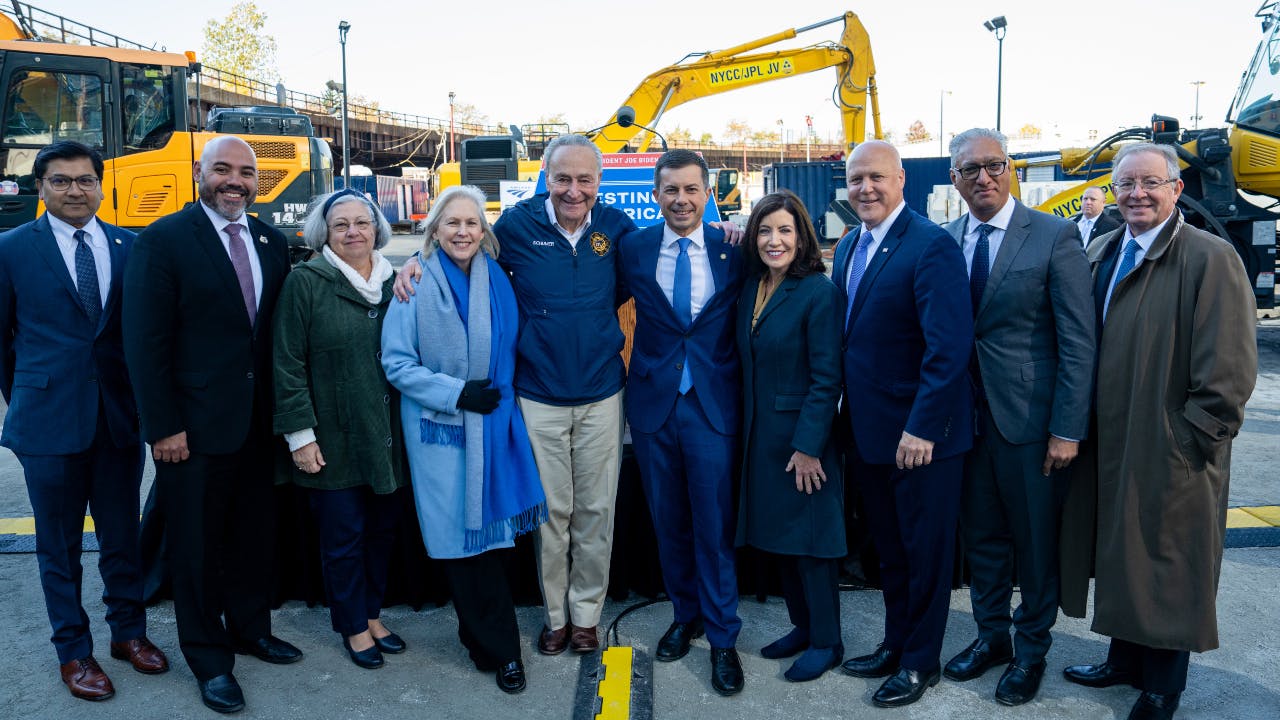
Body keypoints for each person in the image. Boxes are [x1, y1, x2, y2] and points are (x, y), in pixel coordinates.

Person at [1059, 143, 1257, 720]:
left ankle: (1163, 685)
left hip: (1171, 445)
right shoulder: (1104, 250)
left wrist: (1191, 439)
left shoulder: (1208, 257)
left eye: (1151, 182)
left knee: (1170, 561)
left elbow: (1229, 368)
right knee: (1124, 555)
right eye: (1125, 184)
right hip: (1113, 440)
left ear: (1176, 189)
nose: (1137, 194)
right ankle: (1125, 659)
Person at [123, 136, 301, 714]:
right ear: (199, 173)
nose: (235, 181)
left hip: (258, 424)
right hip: (190, 430)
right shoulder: (164, 241)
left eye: (246, 173)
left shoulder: (272, 241)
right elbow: (145, 344)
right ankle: (208, 657)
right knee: (196, 548)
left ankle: (251, 630)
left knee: (254, 536)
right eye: (222, 169)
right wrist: (162, 426)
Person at [0, 141, 168, 701]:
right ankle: (74, 651)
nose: (75, 190)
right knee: (59, 546)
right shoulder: (11, 249)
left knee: (122, 536)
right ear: (40, 187)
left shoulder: (131, 246)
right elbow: (4, 344)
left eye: (85, 180)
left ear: (101, 185)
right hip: (47, 423)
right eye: (61, 181)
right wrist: (29, 395)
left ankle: (129, 634)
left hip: (118, 421)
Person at [940, 127, 1096, 706]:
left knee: (1034, 545)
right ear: (953, 179)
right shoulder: (946, 238)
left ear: (1012, 170)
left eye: (993, 165)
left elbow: (1079, 341)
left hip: (1031, 425)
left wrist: (1067, 427)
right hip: (965, 422)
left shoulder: (1054, 236)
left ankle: (1031, 651)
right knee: (980, 539)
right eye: (969, 169)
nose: (983, 177)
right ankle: (991, 639)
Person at [382, 185, 547, 694]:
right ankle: (504, 653)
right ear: (433, 229)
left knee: (490, 545)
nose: (462, 232)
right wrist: (456, 393)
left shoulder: (497, 277)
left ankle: (483, 642)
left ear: (483, 230)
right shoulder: (414, 283)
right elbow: (396, 362)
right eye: (451, 223)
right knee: (462, 546)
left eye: (471, 223)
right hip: (441, 433)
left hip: (495, 425)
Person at [834, 141, 973, 708]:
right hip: (869, 432)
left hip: (921, 439)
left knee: (924, 556)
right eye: (856, 179)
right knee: (890, 553)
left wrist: (922, 427)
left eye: (876, 178)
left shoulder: (930, 246)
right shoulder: (848, 246)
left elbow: (948, 348)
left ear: (900, 182)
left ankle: (921, 662)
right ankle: (896, 643)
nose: (865, 188)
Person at [616, 150, 745, 695]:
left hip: (712, 404)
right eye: (670, 190)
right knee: (668, 522)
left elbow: (797, 256)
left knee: (713, 527)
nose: (681, 200)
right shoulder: (634, 248)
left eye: (691, 189)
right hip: (653, 405)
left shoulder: (733, 247)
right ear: (655, 193)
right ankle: (685, 613)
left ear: (707, 191)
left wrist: (748, 222)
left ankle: (722, 637)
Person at [272, 188, 407, 670]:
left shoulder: (398, 281)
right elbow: (286, 364)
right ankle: (352, 624)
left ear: (377, 229)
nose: (354, 232)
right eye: (341, 224)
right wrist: (300, 437)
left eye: (362, 222)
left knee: (381, 531)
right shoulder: (307, 282)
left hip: (387, 434)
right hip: (331, 436)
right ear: (324, 233)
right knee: (344, 536)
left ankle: (371, 614)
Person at [735, 190, 844, 683]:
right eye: (764, 230)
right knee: (783, 540)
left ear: (802, 237)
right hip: (763, 438)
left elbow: (827, 377)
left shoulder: (818, 292)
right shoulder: (754, 285)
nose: (773, 240)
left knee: (812, 544)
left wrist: (808, 447)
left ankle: (827, 641)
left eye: (784, 230)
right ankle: (802, 628)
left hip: (802, 442)